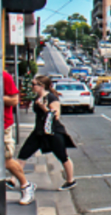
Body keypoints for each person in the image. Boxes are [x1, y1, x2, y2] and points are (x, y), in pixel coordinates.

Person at [15, 75, 77, 203]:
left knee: (62, 156)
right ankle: (13, 179)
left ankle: (70, 180)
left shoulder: (51, 98)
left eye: (34, 84)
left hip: (53, 132)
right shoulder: (37, 97)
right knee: (23, 154)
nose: (32, 87)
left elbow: (56, 115)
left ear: (41, 86)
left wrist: (44, 108)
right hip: (39, 132)